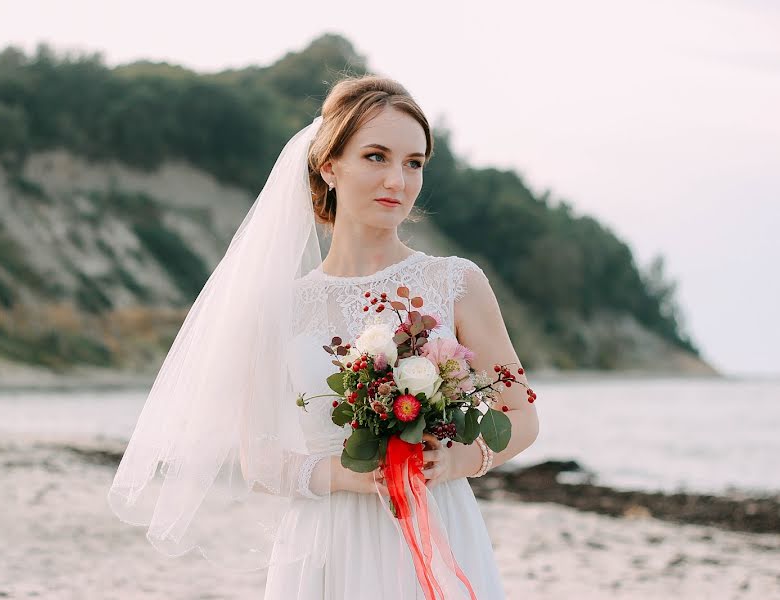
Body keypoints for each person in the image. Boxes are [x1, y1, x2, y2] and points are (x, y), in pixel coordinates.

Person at [108, 75, 540, 599]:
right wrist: (352, 475)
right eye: (376, 156)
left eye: (414, 162)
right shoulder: (282, 308)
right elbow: (260, 460)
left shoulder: (456, 284)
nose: (397, 181)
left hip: (437, 520)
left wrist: (458, 460)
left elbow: (521, 414)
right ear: (329, 165)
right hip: (326, 538)